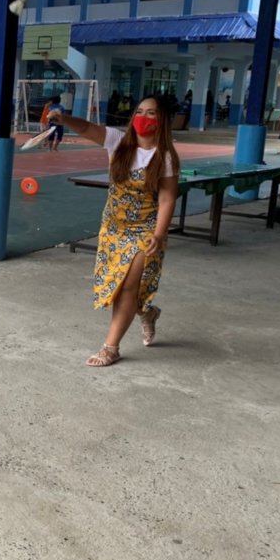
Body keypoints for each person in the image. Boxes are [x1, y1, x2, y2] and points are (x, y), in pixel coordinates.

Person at [48, 96, 180, 367]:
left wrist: (158, 234)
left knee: (128, 285)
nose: (143, 117)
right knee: (118, 284)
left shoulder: (165, 157)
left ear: (162, 120)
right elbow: (87, 129)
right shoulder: (117, 141)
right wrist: (66, 119)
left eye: (151, 113)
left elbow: (167, 199)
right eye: (140, 111)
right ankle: (148, 312)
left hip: (145, 228)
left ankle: (111, 347)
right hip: (114, 227)